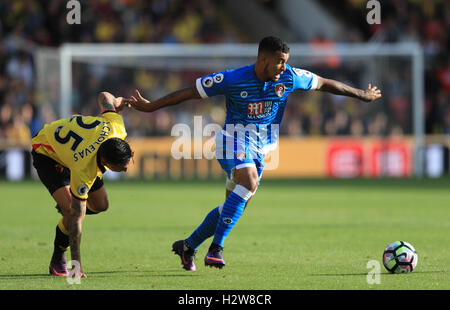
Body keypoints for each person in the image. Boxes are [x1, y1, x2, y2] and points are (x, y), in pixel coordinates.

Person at [126, 36, 382, 270]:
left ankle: (188, 246)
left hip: (262, 148)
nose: (283, 67)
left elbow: (323, 83)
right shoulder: (233, 78)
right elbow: (189, 93)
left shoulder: (289, 77)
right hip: (231, 141)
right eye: (280, 62)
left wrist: (361, 94)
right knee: (248, 182)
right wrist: (151, 107)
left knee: (234, 205)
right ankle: (216, 249)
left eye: (285, 62)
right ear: (263, 59)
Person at [31, 91, 133, 278]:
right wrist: (76, 266)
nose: (126, 170)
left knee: (101, 205)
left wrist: (118, 102)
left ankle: (68, 204)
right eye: (121, 167)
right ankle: (57, 257)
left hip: (74, 150)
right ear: (105, 161)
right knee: (72, 212)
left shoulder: (117, 128)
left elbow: (104, 96)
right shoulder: (84, 170)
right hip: (47, 152)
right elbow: (78, 220)